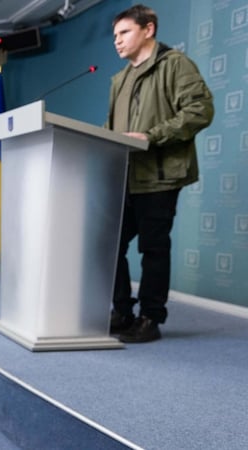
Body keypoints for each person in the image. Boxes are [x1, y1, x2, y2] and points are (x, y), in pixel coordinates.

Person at [106, 4, 214, 343]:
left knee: (153, 247)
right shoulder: (119, 80)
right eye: (114, 35)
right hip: (124, 175)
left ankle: (150, 318)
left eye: (124, 32)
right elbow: (112, 128)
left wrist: (152, 136)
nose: (117, 40)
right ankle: (122, 311)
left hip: (159, 175)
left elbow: (200, 109)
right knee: (108, 243)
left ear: (148, 29)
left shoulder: (175, 64)